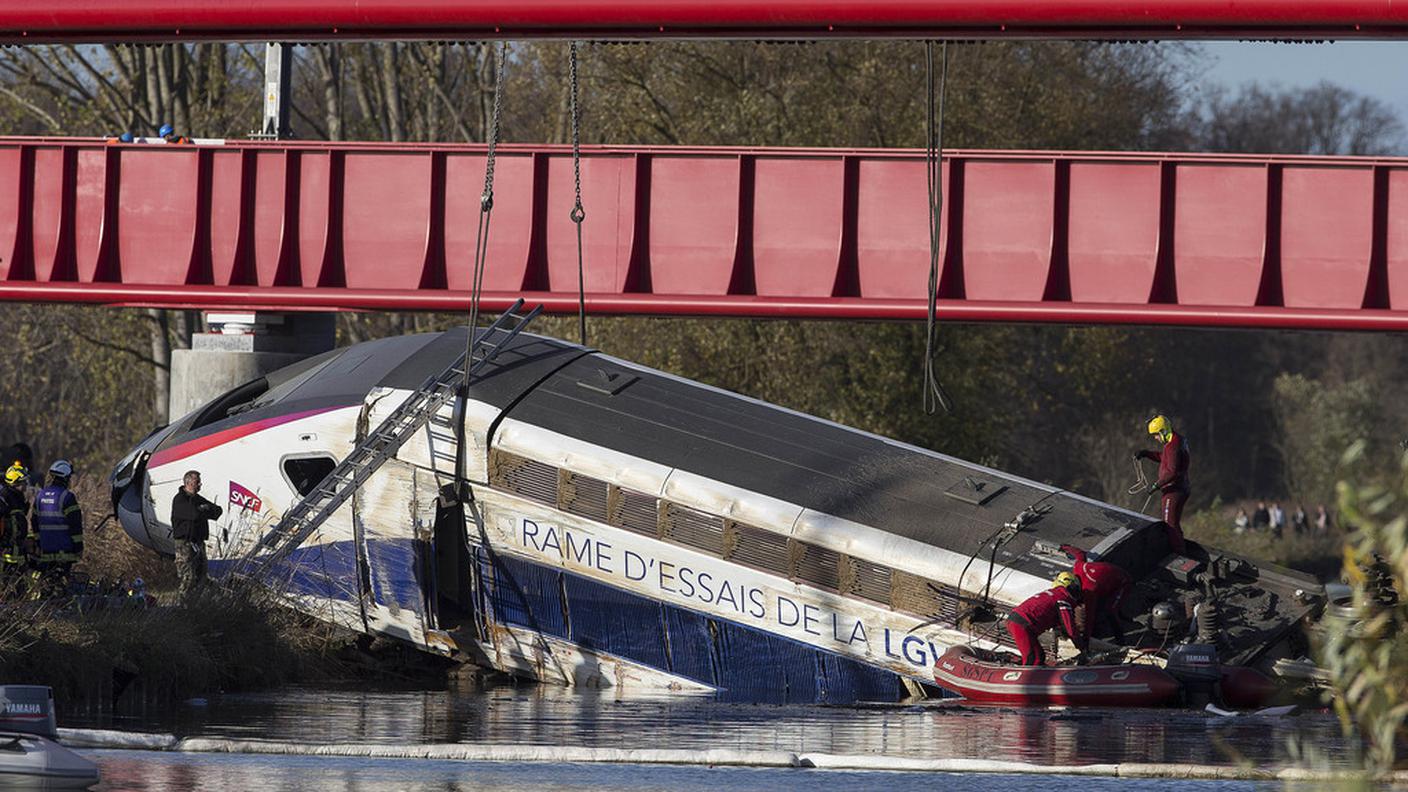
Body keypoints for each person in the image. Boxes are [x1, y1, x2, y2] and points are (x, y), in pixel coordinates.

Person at [1135, 414, 1191, 554]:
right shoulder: (1174, 441)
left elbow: (1172, 472)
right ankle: (1179, 549)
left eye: (1156, 435)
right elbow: (1164, 458)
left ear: (1163, 431)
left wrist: (1156, 485)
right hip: (1177, 489)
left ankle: (1179, 554)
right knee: (1172, 524)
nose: (1155, 438)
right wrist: (1146, 454)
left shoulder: (1174, 445)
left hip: (1174, 491)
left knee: (1169, 524)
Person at [1059, 544, 1133, 644]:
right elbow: (1080, 553)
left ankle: (1120, 639)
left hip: (1123, 583)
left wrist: (1086, 639)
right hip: (1109, 578)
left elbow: (1090, 617)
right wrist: (1065, 547)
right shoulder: (1078, 567)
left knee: (1111, 611)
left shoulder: (1090, 590)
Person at [1005, 573, 1083, 666]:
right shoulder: (1063, 599)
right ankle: (1025, 679)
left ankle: (1031, 675)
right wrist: (1082, 646)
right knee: (1034, 658)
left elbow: (1061, 625)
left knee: (1039, 656)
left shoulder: (1055, 594)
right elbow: (1069, 628)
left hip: (1018, 621)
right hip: (1022, 624)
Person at [30, 460, 83, 597]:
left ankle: (46, 611)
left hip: (46, 550)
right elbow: (75, 525)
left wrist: (38, 542)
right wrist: (78, 546)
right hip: (64, 551)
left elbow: (34, 521)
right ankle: (60, 612)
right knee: (61, 586)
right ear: (65, 478)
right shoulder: (67, 497)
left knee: (47, 583)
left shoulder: (40, 496)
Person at [170, 470, 221, 595]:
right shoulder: (180, 500)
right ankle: (184, 605)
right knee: (188, 577)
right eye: (197, 482)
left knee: (202, 575)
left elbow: (217, 511)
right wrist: (203, 510)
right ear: (189, 483)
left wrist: (204, 509)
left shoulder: (197, 499)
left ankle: (196, 605)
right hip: (185, 544)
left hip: (199, 543)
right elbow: (194, 514)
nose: (200, 484)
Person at [0, 464, 31, 597]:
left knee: (20, 585)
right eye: (22, 483)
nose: (24, 486)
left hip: (17, 551)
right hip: (7, 552)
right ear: (14, 482)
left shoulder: (17, 497)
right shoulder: (5, 497)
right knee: (7, 585)